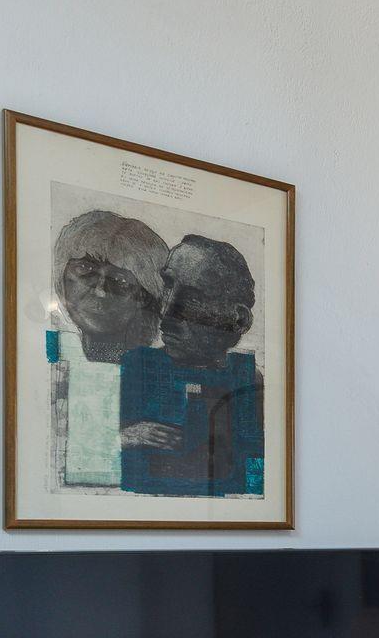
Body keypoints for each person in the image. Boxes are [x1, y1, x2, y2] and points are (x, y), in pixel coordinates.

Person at [119, 235, 266, 497]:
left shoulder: (249, 381)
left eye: (193, 298)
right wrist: (122, 439)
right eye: (167, 285)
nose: (166, 311)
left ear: (238, 319)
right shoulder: (133, 368)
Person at [47, 210, 165, 489]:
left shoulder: (159, 376)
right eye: (85, 270)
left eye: (121, 281)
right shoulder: (51, 359)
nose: (100, 291)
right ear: (62, 276)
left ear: (145, 296)